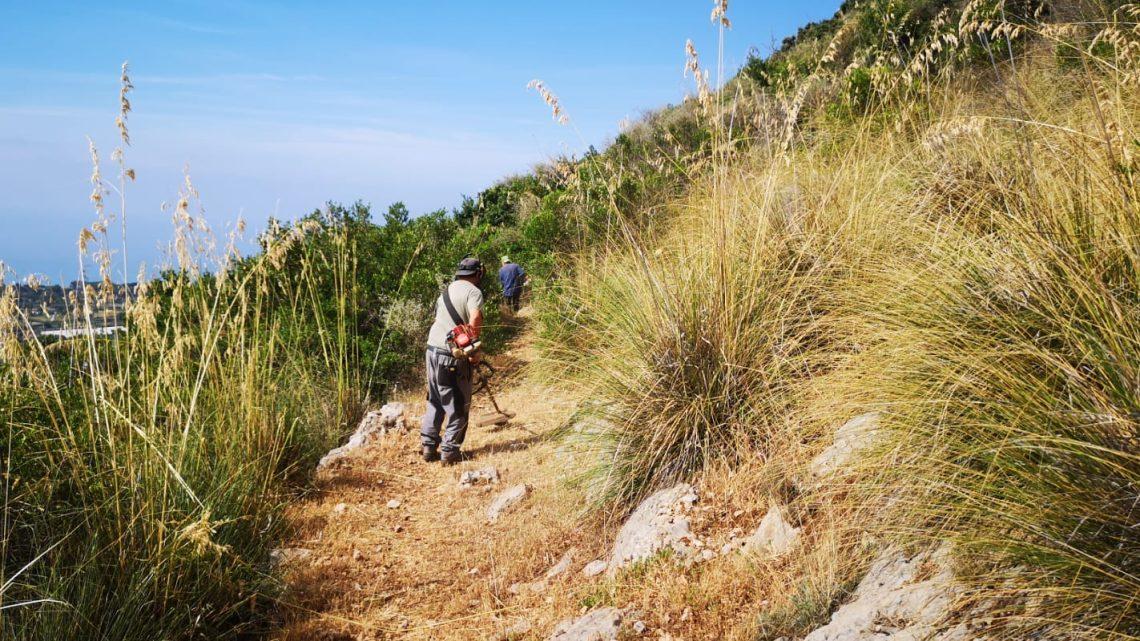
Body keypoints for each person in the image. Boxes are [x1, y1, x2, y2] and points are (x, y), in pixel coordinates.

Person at [421, 256, 485, 465]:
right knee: (459, 403)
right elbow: (475, 318)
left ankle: (428, 446)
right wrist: (472, 350)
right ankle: (450, 451)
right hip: (452, 355)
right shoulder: (473, 291)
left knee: (436, 398)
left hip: (432, 349)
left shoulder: (446, 291)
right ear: (478, 273)